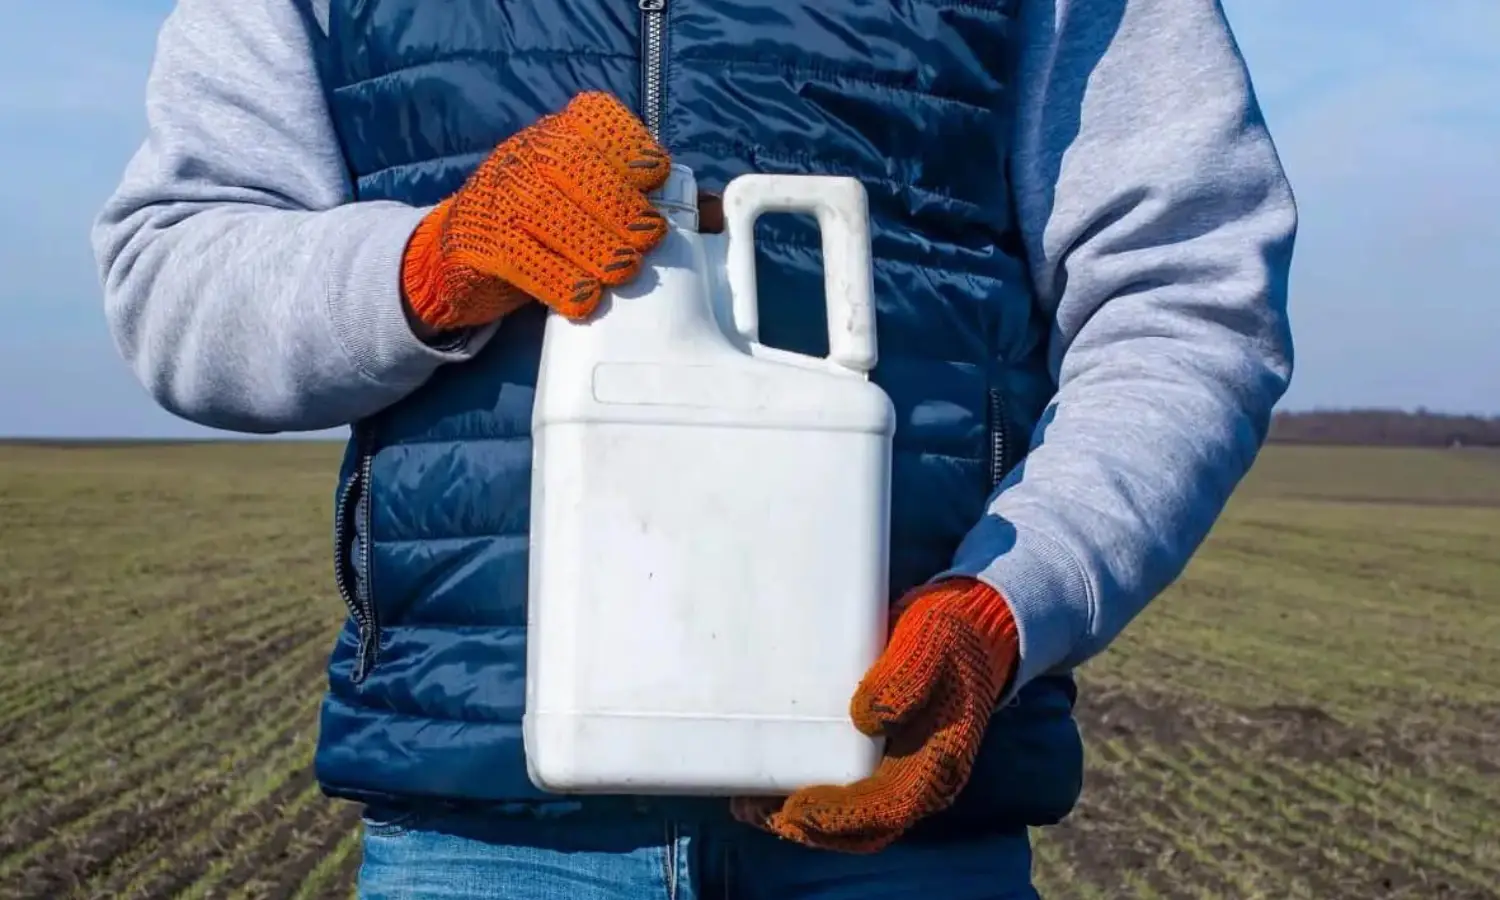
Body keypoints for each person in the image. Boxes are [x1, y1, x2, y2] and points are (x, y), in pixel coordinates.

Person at [93, 0, 1295, 895]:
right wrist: (428, 265)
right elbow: (174, 272)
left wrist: (1007, 606)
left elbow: (1186, 295)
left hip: (897, 820)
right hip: (484, 836)